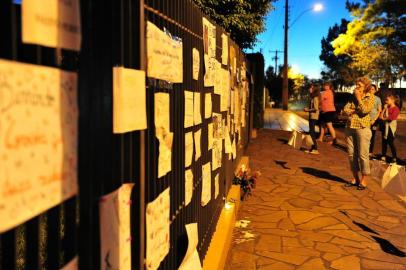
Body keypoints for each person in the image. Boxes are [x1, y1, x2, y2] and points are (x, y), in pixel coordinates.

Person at [343, 77, 375, 190]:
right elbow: (345, 109)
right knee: (351, 154)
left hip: (362, 128)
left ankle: (364, 180)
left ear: (366, 86)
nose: (357, 87)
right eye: (356, 84)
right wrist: (355, 110)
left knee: (363, 155)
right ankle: (355, 178)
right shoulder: (352, 96)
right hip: (350, 127)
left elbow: (365, 111)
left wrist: (358, 99)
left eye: (359, 85)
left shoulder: (371, 97)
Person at [380, 94, 400, 163]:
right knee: (384, 142)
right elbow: (381, 117)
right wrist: (384, 109)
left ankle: (394, 157)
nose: (386, 101)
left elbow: (391, 118)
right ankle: (383, 155)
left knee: (390, 142)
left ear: (392, 100)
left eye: (387, 100)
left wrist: (384, 118)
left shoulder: (396, 108)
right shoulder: (387, 108)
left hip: (391, 128)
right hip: (385, 127)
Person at [304, 84, 320, 154]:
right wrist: (308, 110)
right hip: (312, 116)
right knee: (311, 131)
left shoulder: (315, 98)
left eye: (311, 88)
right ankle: (312, 148)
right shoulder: (312, 98)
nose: (309, 89)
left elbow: (316, 109)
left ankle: (316, 149)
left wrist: (308, 110)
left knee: (312, 132)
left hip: (314, 116)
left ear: (314, 90)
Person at [369, 84, 382, 157]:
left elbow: (379, 110)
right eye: (370, 89)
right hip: (365, 119)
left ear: (375, 90)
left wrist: (374, 120)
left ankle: (370, 152)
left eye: (373, 89)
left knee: (372, 136)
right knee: (365, 136)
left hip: (374, 120)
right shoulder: (365, 97)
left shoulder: (377, 99)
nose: (371, 90)